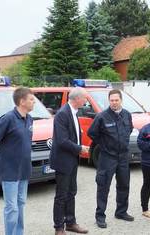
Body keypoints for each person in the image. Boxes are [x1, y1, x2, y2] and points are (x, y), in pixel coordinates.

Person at [87, 89, 134, 229]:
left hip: (123, 157)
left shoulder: (127, 115)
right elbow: (92, 133)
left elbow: (129, 129)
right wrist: (104, 145)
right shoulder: (102, 116)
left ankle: (121, 212)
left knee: (124, 185)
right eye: (111, 100)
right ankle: (100, 216)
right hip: (107, 157)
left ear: (121, 100)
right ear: (109, 101)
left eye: (116, 100)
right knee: (103, 186)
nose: (114, 103)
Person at [0, 87, 34, 235]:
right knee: (12, 207)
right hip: (9, 171)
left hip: (24, 170)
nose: (33, 101)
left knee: (21, 204)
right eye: (31, 99)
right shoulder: (8, 118)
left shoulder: (29, 119)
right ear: (22, 101)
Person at [50, 87, 89, 235]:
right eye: (84, 98)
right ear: (77, 99)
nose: (85, 101)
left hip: (72, 159)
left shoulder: (73, 112)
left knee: (71, 192)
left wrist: (79, 147)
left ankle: (71, 223)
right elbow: (62, 141)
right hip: (63, 161)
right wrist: (80, 148)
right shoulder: (62, 114)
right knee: (61, 195)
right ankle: (59, 227)